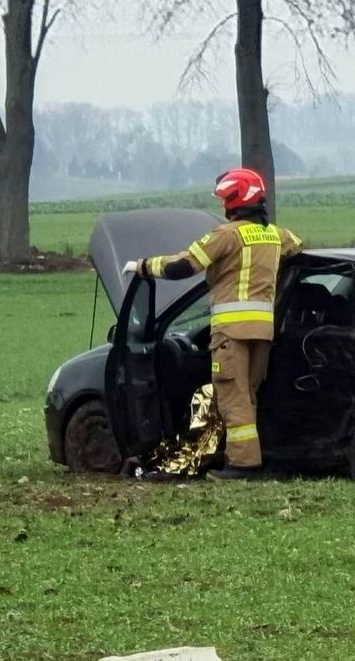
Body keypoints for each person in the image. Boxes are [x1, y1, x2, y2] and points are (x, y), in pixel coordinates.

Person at [130, 168, 303, 479]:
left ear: (234, 202)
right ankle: (241, 456)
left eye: (225, 200)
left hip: (230, 334)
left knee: (232, 397)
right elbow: (298, 246)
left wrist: (143, 266)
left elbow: (183, 266)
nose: (223, 206)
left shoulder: (226, 236)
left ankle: (243, 466)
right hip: (262, 333)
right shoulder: (276, 235)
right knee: (248, 396)